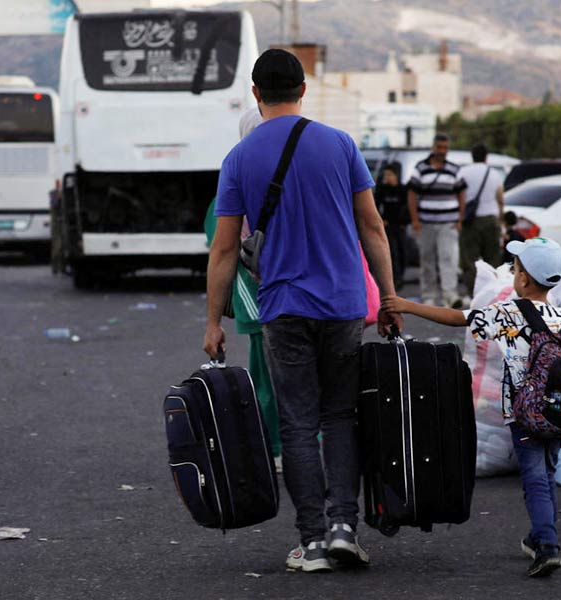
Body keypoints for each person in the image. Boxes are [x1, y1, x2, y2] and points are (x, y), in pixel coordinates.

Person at [203, 49, 401, 573]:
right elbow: (373, 227)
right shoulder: (339, 144)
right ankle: (343, 528)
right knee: (341, 416)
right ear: (303, 89)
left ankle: (311, 542)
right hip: (342, 305)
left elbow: (224, 250)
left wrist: (212, 321)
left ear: (255, 93)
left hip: (283, 307)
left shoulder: (240, 158)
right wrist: (390, 297)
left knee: (296, 422)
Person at [381, 237, 561, 578]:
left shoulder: (508, 312)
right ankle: (540, 535)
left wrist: (406, 305)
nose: (513, 273)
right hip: (559, 411)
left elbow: (458, 318)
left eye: (515, 268)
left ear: (524, 279)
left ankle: (547, 544)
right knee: (546, 474)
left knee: (535, 479)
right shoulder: (560, 317)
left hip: (525, 414)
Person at [204, 107, 282, 470]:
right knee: (274, 378)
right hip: (272, 299)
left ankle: (277, 447)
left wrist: (214, 319)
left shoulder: (233, 180)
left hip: (255, 300)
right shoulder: (280, 178)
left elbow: (219, 248)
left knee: (269, 378)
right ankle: (280, 447)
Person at [408, 133, 467, 308]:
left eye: (445, 148)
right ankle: (429, 296)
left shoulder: (454, 169)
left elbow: (461, 194)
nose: (443, 151)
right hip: (425, 223)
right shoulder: (420, 168)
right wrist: (415, 220)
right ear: (433, 148)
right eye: (440, 147)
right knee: (427, 260)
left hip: (448, 223)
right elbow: (411, 195)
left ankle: (450, 295)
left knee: (448, 259)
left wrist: (460, 219)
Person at [458, 143, 505, 298]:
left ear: (472, 155)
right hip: (491, 220)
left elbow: (459, 196)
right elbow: (500, 199)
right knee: (492, 259)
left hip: (470, 220)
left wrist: (459, 218)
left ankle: (473, 294)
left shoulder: (463, 172)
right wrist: (501, 220)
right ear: (486, 156)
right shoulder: (494, 173)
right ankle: (493, 293)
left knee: (469, 260)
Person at [375, 162, 409, 289]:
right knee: (392, 252)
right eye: (386, 175)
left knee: (402, 251)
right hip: (388, 225)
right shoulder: (382, 189)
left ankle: (401, 277)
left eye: (390, 175)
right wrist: (381, 219)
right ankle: (394, 278)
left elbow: (407, 207)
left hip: (400, 225)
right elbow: (376, 205)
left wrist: (405, 222)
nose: (387, 178)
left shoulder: (402, 190)